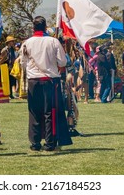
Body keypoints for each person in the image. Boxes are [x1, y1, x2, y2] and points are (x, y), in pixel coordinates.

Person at [21, 16, 72, 152]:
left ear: (33, 28)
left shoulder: (27, 43)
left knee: (34, 112)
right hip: (50, 81)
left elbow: (22, 63)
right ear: (45, 27)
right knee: (50, 113)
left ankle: (35, 143)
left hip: (33, 81)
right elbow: (62, 62)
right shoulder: (53, 41)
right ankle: (50, 143)